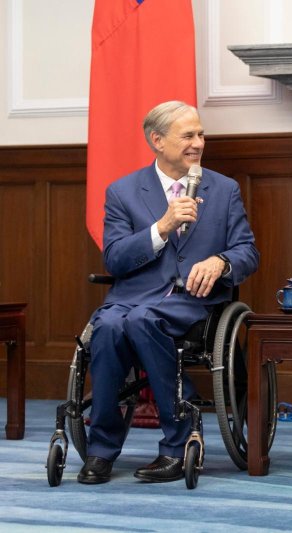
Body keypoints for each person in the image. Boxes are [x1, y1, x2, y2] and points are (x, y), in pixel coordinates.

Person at [77, 101, 260, 484]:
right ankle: (101, 449)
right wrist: (161, 228)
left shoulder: (223, 190)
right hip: (131, 298)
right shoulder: (124, 192)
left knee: (143, 320)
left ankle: (177, 445)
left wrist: (221, 262)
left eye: (201, 134)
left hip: (191, 303)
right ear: (157, 141)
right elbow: (114, 258)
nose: (199, 143)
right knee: (109, 326)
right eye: (188, 135)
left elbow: (247, 252)